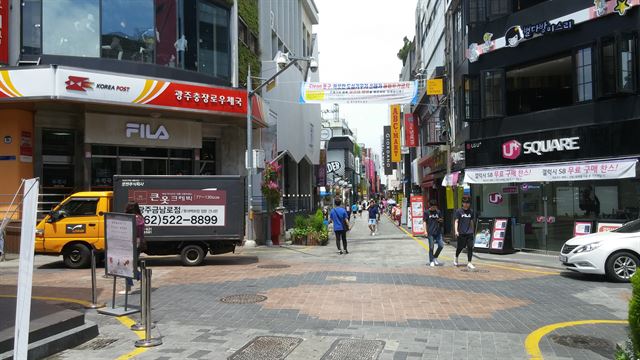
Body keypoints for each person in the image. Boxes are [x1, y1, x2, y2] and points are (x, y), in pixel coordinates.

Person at [120, 202, 145, 294]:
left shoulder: (136, 219)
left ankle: (141, 278)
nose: (125, 209)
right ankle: (141, 278)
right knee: (129, 265)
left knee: (128, 265)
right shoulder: (137, 217)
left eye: (127, 207)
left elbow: (134, 231)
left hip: (134, 244)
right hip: (132, 244)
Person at [454, 197, 476, 269]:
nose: (466, 205)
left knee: (470, 247)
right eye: (465, 203)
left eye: (468, 203)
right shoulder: (459, 211)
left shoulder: (471, 211)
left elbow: (472, 221)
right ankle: (456, 257)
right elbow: (456, 221)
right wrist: (456, 231)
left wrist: (473, 231)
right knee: (460, 247)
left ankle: (469, 262)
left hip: (469, 232)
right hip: (461, 232)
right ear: (462, 203)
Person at [425, 200, 444, 267]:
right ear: (430, 206)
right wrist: (425, 231)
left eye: (435, 206)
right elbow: (425, 222)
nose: (434, 208)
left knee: (441, 245)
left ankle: (435, 257)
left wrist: (440, 220)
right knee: (431, 247)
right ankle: (431, 261)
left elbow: (441, 219)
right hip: (430, 232)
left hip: (438, 232)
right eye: (433, 207)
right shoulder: (427, 212)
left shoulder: (438, 212)